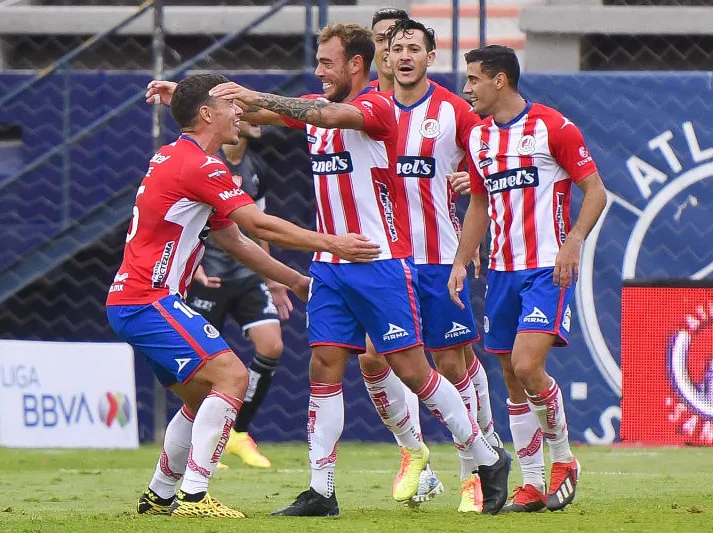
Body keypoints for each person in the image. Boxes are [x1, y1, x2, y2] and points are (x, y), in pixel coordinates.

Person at [149, 23, 511, 516]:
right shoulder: (315, 112)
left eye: (327, 62)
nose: (318, 71)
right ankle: (322, 490)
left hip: (379, 259)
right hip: (331, 264)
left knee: (413, 369)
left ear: (355, 65)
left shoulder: (375, 106)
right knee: (324, 367)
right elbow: (267, 111)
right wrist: (194, 105)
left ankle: (486, 458)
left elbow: (326, 112)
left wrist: (255, 95)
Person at [107, 73, 380, 518]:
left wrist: (294, 281)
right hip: (148, 299)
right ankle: (194, 497)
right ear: (207, 114)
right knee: (231, 377)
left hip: (137, 300)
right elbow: (261, 225)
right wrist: (334, 243)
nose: (241, 112)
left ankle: (160, 494)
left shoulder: (176, 158)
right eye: (231, 104)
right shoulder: (202, 165)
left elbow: (235, 241)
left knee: (199, 399)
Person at [356, 18, 507, 514]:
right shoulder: (367, 110)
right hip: (386, 260)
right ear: (384, 56)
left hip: (439, 258)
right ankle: (412, 453)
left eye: (413, 49)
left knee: (450, 362)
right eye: (395, 47)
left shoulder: (452, 110)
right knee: (374, 357)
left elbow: (491, 158)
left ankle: (475, 471)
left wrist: (473, 180)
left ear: (429, 57)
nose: (402, 55)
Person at [448, 45, 608, 512]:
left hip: (546, 269)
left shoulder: (553, 127)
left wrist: (574, 240)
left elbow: (596, 191)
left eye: (474, 79)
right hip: (500, 271)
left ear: (500, 80)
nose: (467, 88)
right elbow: (479, 203)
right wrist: (461, 260)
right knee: (510, 380)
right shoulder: (478, 139)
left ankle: (564, 460)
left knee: (525, 365)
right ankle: (533, 484)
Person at [185, 121, 285, 469]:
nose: (259, 122)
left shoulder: (256, 167)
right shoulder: (207, 164)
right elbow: (186, 218)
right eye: (249, 116)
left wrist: (272, 277)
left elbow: (259, 227)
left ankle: (238, 434)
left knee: (271, 345)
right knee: (201, 365)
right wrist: (191, 266)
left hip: (246, 273)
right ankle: (200, 441)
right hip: (208, 275)